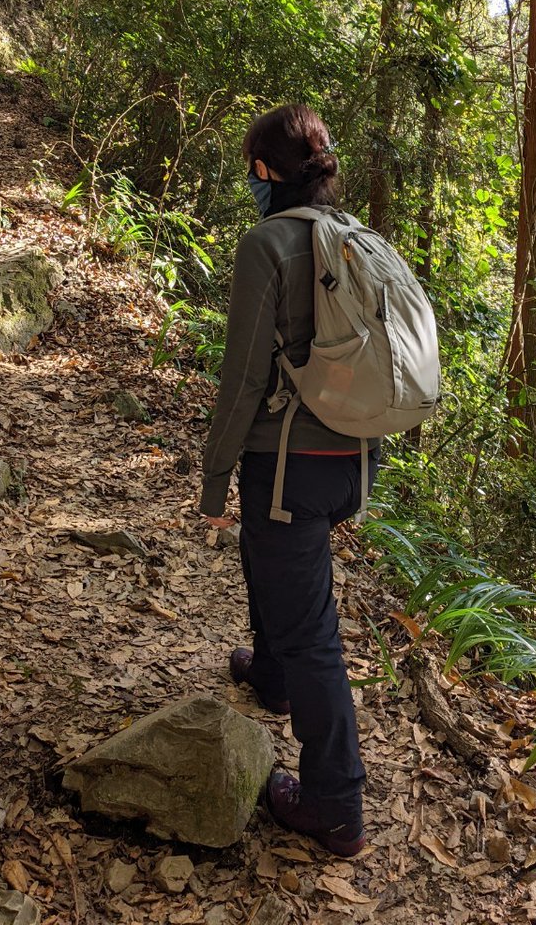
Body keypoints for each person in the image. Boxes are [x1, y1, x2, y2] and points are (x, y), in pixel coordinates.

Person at [200, 104, 380, 858]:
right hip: (356, 460)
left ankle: (335, 803)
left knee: (313, 634)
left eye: (252, 169)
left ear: (267, 172)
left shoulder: (267, 245)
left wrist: (214, 480)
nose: (249, 181)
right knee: (271, 561)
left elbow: (243, 381)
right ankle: (269, 674)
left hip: (288, 471)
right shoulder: (361, 239)